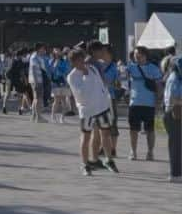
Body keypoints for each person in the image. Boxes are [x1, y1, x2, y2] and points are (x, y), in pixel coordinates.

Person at [67, 44, 119, 177]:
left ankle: (109, 159)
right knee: (86, 137)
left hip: (102, 107)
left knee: (106, 134)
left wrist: (106, 102)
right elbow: (81, 95)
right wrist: (85, 76)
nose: (81, 63)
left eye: (82, 59)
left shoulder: (93, 69)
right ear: (73, 62)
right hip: (87, 111)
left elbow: (101, 86)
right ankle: (85, 164)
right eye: (77, 61)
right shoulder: (72, 77)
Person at [124, 46, 161, 163]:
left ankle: (150, 152)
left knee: (150, 130)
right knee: (133, 129)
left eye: (139, 55)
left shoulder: (154, 69)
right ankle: (133, 151)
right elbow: (123, 80)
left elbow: (159, 86)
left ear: (145, 56)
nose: (137, 57)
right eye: (135, 55)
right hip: (134, 103)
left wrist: (158, 102)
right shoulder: (130, 67)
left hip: (149, 104)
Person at [164, 54, 181, 183]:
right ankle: (175, 174)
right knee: (176, 145)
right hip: (175, 114)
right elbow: (174, 99)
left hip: (176, 113)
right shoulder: (174, 78)